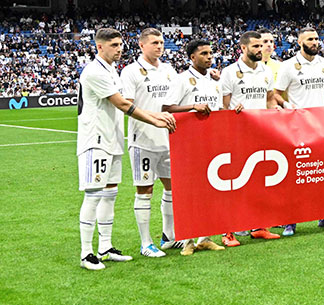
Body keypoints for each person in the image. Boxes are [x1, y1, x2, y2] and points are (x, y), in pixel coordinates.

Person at [77, 28, 175, 270]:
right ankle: (86, 253)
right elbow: (122, 103)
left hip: (113, 139)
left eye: (120, 44)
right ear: (99, 46)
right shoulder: (94, 72)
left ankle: (106, 247)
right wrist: (154, 119)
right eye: (113, 45)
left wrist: (156, 115)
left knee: (110, 193)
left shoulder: (111, 70)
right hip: (95, 141)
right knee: (93, 195)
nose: (119, 49)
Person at [274, 27, 324, 234]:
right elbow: (277, 94)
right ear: (300, 42)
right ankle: (291, 221)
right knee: (297, 176)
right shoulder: (288, 66)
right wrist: (289, 107)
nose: (315, 42)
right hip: (298, 127)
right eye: (310, 39)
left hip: (323, 126)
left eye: (316, 38)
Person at [119, 28, 180, 257]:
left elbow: (175, 101)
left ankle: (169, 237)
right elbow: (128, 106)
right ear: (141, 45)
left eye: (162, 42)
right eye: (154, 42)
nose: (159, 46)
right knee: (145, 191)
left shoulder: (168, 70)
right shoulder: (131, 72)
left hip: (168, 141)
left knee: (173, 188)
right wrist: (154, 119)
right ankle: (146, 243)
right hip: (143, 140)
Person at [161, 39, 226, 255]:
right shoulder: (182, 80)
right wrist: (192, 107)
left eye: (211, 53)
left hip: (211, 142)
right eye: (204, 54)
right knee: (188, 192)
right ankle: (187, 240)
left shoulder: (216, 81)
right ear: (192, 58)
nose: (209, 57)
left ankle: (205, 238)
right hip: (187, 144)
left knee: (209, 190)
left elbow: (217, 111)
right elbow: (167, 107)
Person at [219, 31, 281, 246]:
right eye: (255, 46)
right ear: (243, 48)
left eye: (262, 45)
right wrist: (231, 112)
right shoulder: (229, 72)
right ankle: (228, 231)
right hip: (236, 134)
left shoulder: (266, 71)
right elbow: (223, 107)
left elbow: (270, 99)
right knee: (234, 182)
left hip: (261, 133)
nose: (260, 49)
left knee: (260, 181)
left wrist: (276, 112)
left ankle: (259, 227)